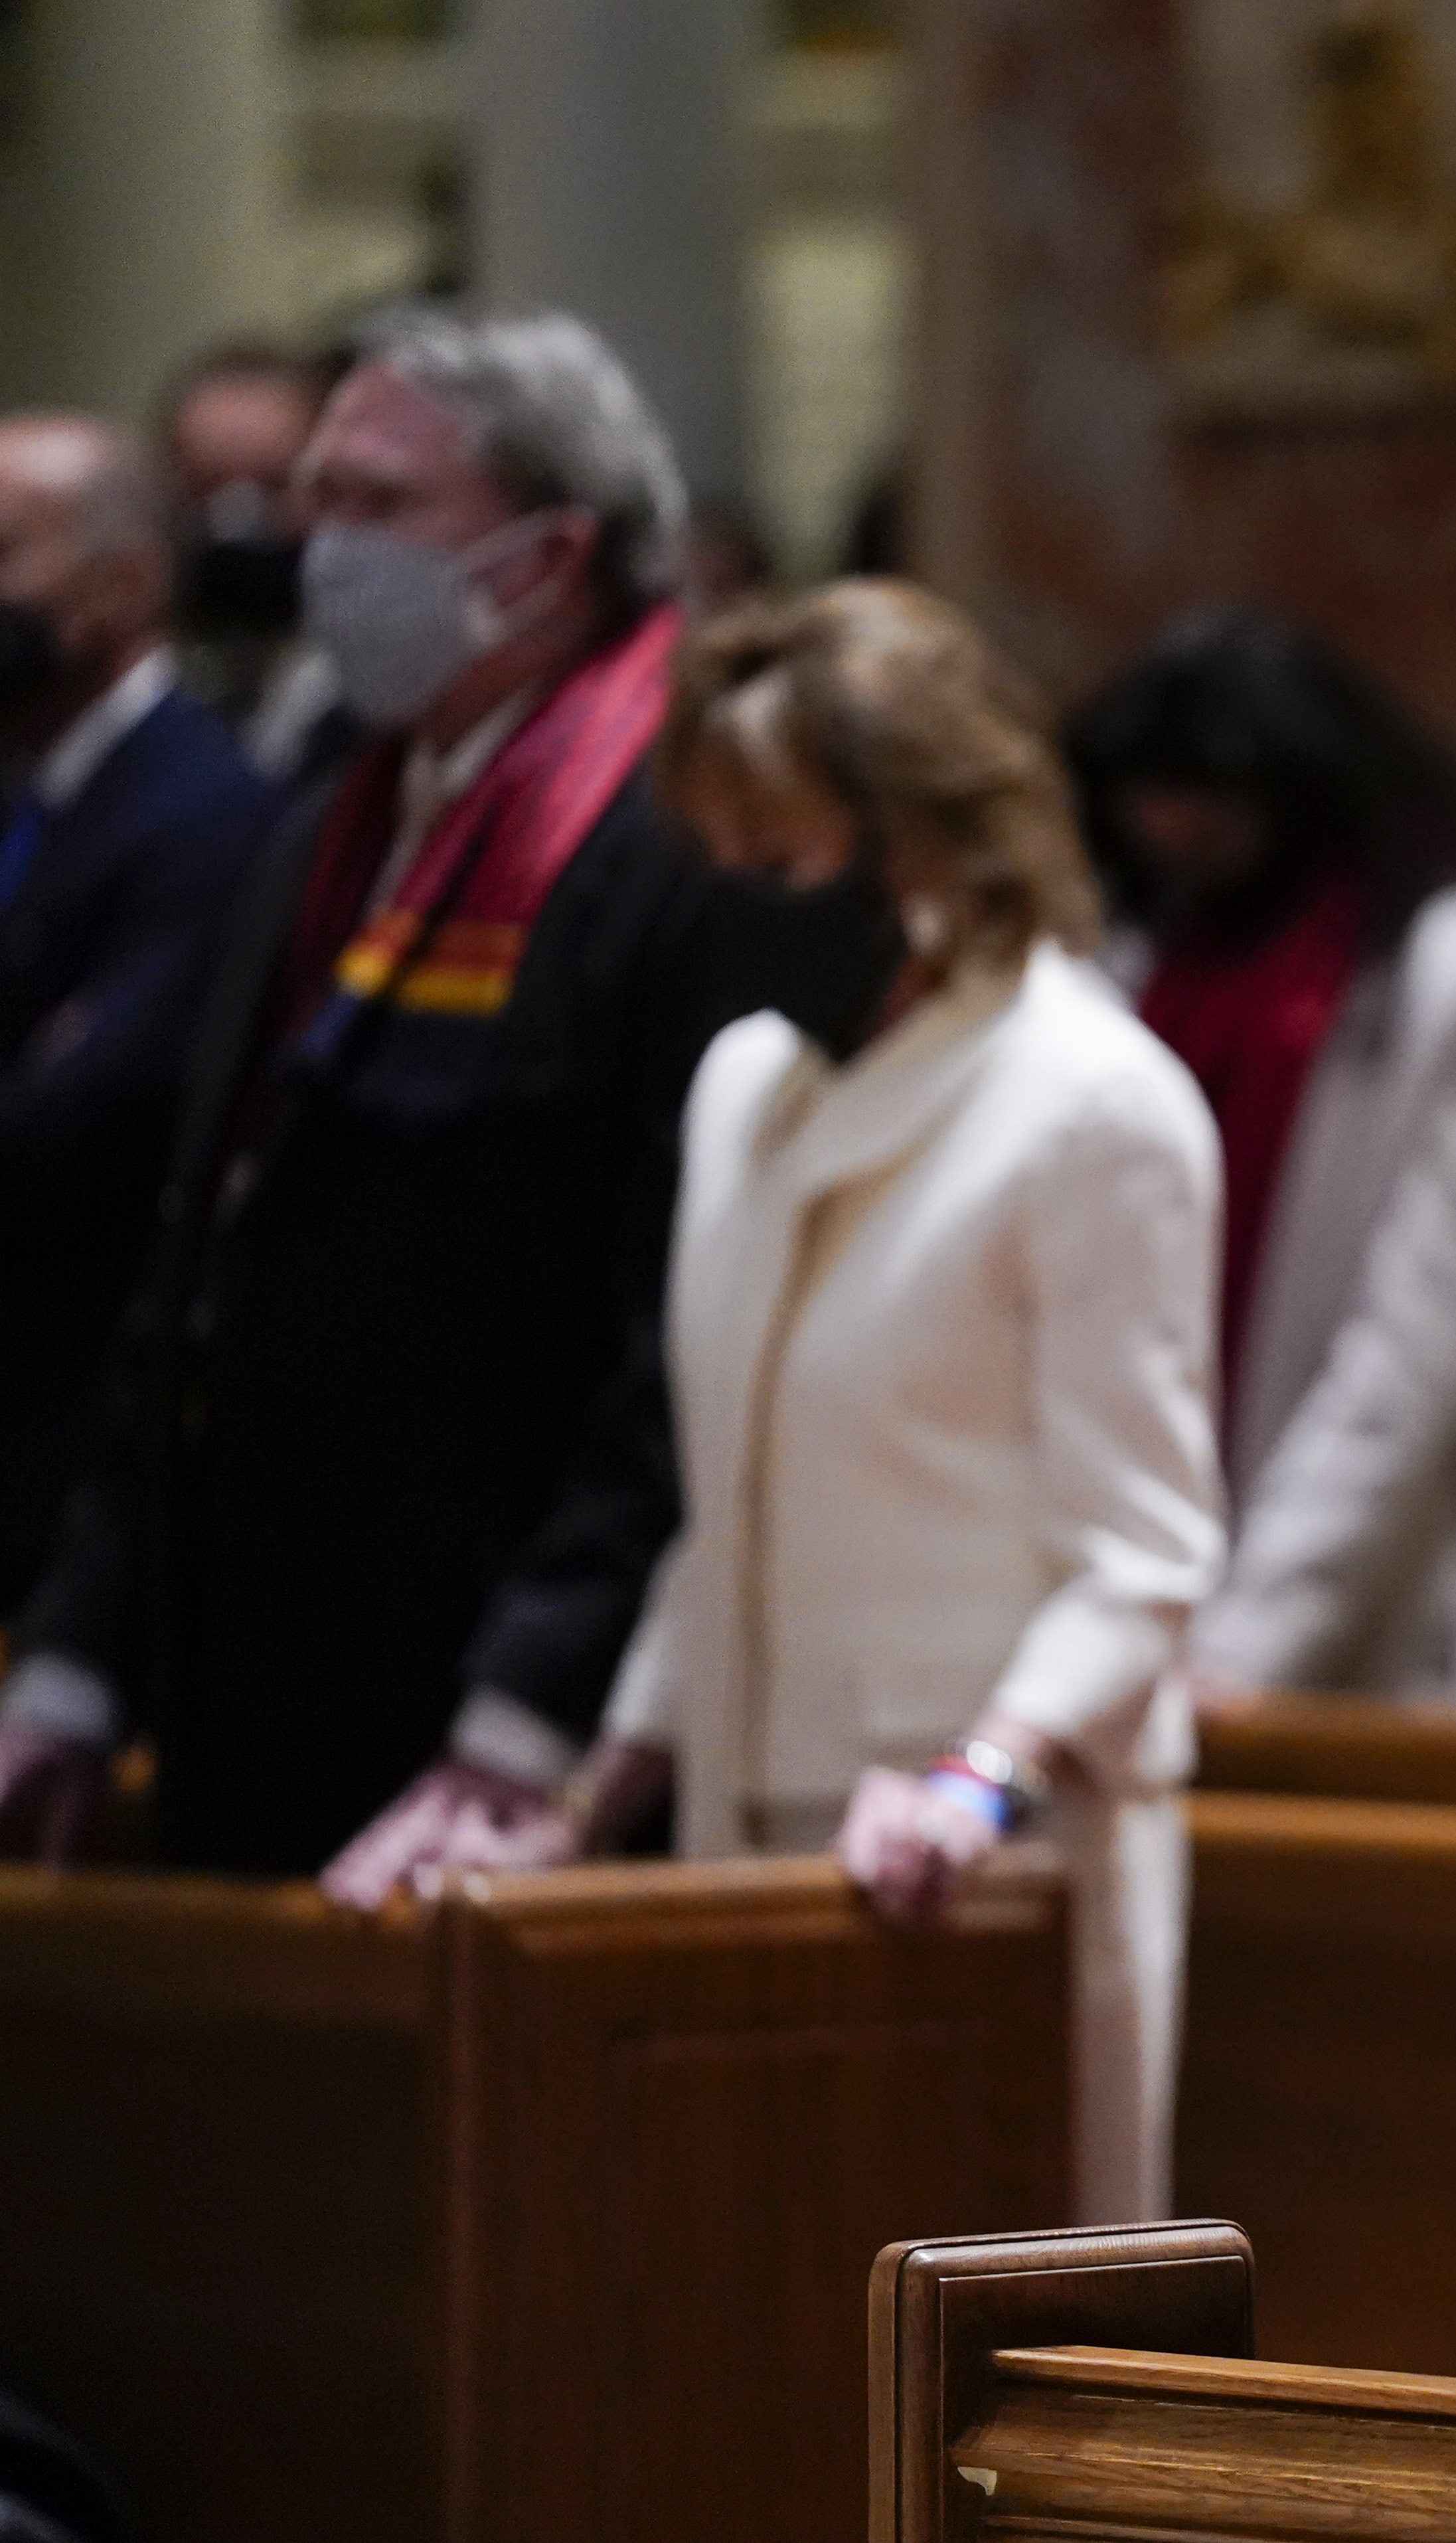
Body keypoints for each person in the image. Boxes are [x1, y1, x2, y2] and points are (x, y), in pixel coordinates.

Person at [335, 581, 1229, 2218]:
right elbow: (721, 1507)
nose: (740, 905)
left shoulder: (1095, 1106)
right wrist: (587, 1799)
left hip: (976, 1880)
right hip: (742, 1855)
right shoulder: (747, 1079)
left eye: (785, 861)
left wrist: (978, 1775)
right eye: (720, 861)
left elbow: (1145, 1555)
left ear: (937, 845)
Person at [0, 307, 729, 1881]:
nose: (319, 550)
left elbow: (675, 1337)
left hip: (506, 1731)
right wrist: (76, 1648)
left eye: (378, 506)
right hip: (256, 1675)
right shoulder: (326, 825)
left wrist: (529, 1711)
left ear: (547, 555)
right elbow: (202, 1251)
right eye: (316, 498)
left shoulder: (679, 840)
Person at [1064, 614, 1456, 1702]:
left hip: (1389, 1609)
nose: (1170, 829)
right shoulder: (1137, 969)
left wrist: (1246, 1643)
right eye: (1148, 798)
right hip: (1140, 1598)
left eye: (1205, 798)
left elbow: (1417, 1350)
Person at [0, 417, 274, 1648]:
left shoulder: (203, 812)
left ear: (125, 585)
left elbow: (67, 1126)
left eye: (7, 551)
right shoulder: (31, 789)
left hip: (73, 1451)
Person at [157, 340, 347, 788]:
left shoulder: (370, 700)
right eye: (203, 487)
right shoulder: (140, 684)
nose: (236, 518)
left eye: (275, 485)